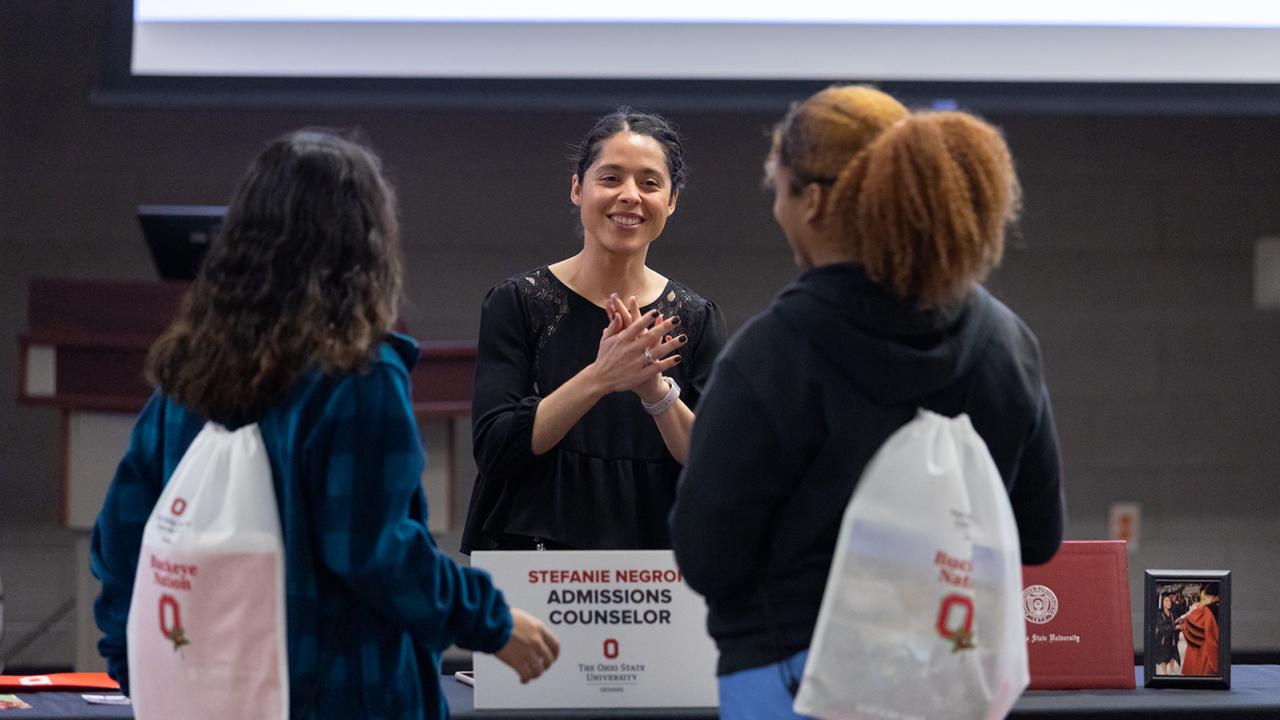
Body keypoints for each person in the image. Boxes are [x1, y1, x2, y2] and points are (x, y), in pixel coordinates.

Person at [90, 130, 558, 718]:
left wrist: (140, 663)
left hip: (203, 695)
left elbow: (120, 542)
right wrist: (490, 621)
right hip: (341, 697)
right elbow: (378, 554)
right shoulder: (357, 377)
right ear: (365, 247)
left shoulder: (187, 375)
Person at [670, 86, 1066, 718]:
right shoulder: (1007, 344)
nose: (776, 207)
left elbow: (707, 558)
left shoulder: (770, 355)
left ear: (816, 202)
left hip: (793, 683)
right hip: (949, 682)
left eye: (779, 188)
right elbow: (1039, 538)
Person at [462, 110, 727, 552]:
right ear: (576, 189)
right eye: (610, 179)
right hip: (533, 561)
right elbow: (495, 449)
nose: (629, 196)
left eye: (650, 183)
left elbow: (715, 467)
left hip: (658, 575)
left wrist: (655, 393)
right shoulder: (519, 301)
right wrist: (602, 376)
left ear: (672, 200)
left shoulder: (695, 317)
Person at [1177, 583, 1222, 676]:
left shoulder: (1205, 612)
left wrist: (1183, 625)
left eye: (1204, 598)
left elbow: (1192, 627)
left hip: (1204, 657)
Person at [1153, 592, 1182, 675]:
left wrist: (1181, 621)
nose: (1169, 603)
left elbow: (1176, 622)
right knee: (1164, 657)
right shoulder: (1159, 614)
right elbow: (1162, 627)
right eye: (1166, 601)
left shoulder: (1172, 613)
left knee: (1172, 656)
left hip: (1172, 639)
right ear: (1161, 602)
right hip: (1163, 640)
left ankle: (1172, 671)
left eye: (1169, 601)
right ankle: (1165, 673)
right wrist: (1175, 627)